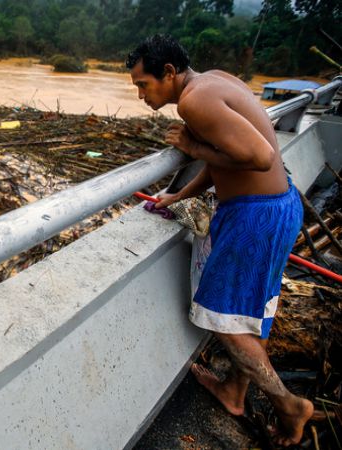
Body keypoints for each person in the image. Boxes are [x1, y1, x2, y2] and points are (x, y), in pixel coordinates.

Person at [125, 34, 313, 446]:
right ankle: (234, 392)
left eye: (144, 84)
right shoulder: (213, 80)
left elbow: (260, 157)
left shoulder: (195, 102)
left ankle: (288, 404)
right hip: (275, 204)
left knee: (224, 321)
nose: (141, 95)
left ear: (169, 73)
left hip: (255, 216)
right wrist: (177, 195)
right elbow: (226, 156)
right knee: (248, 309)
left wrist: (190, 144)